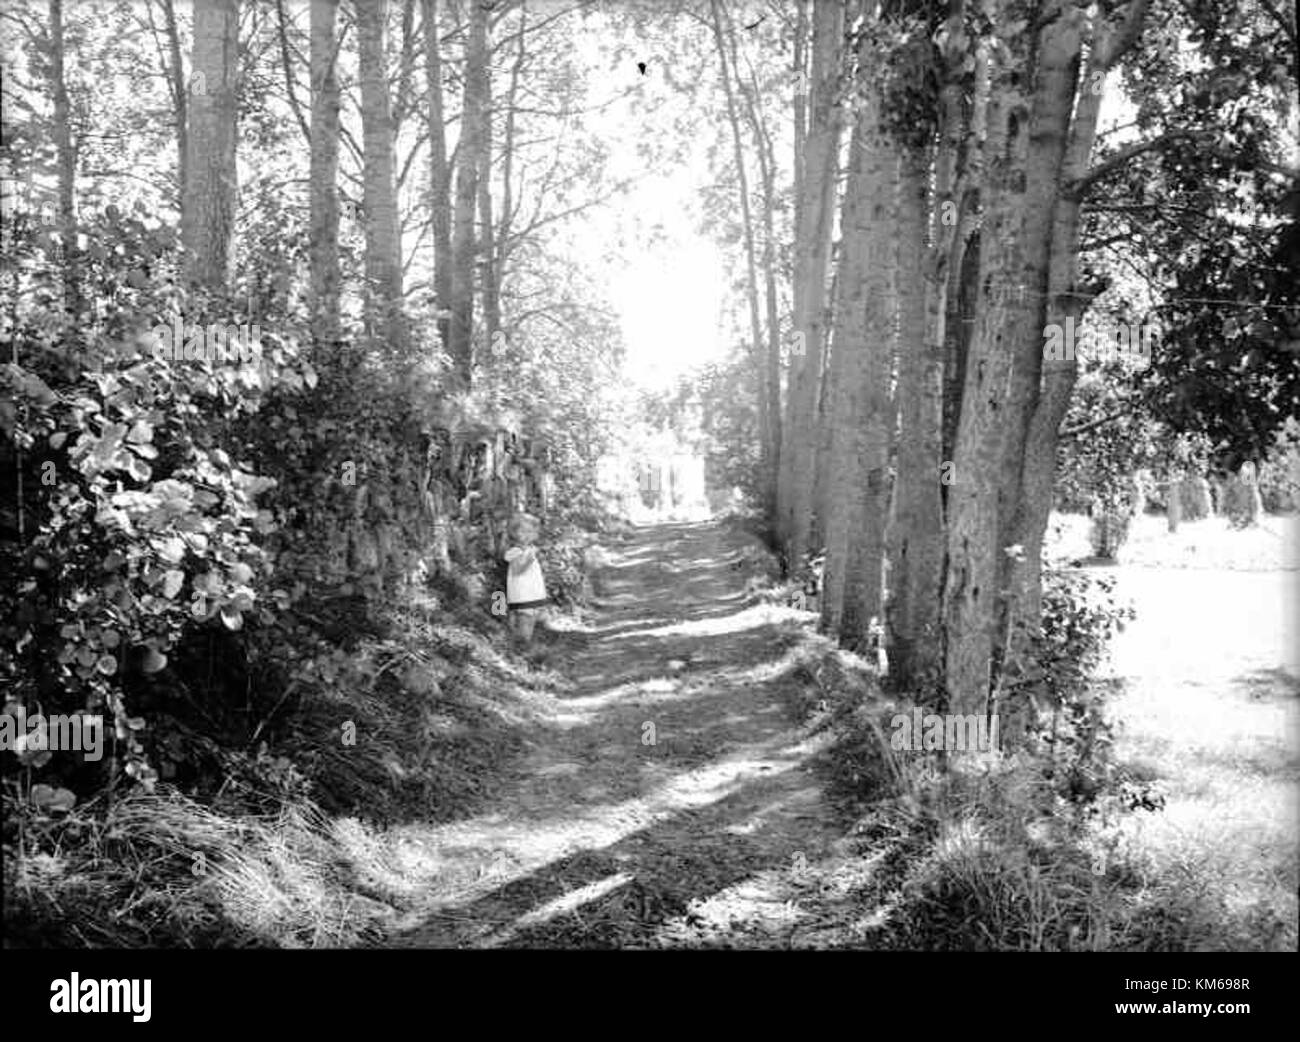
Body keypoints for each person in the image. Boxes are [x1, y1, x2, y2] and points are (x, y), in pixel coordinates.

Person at [504, 513, 548, 645]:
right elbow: (517, 570)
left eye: (531, 531)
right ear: (514, 532)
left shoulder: (528, 548)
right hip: (523, 596)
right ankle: (520, 650)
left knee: (530, 622)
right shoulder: (515, 550)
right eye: (523, 531)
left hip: (531, 594)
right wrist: (529, 559)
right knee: (524, 624)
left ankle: (523, 649)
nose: (527, 535)